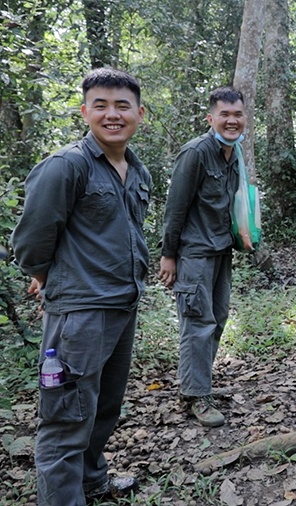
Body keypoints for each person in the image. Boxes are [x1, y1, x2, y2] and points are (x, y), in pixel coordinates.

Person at [11, 68, 149, 504]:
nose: (113, 114)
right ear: (85, 110)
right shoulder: (66, 166)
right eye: (102, 105)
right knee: (66, 418)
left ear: (139, 113)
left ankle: (92, 480)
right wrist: (49, 278)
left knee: (104, 408)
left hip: (122, 306)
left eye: (122, 105)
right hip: (79, 315)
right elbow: (31, 239)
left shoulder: (136, 169)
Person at [158, 87, 246, 428]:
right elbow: (175, 208)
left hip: (222, 250)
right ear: (211, 119)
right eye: (225, 114)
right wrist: (168, 255)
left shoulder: (234, 153)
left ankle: (199, 385)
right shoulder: (195, 153)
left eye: (237, 114)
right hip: (194, 253)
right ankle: (195, 395)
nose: (232, 120)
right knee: (197, 324)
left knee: (217, 319)